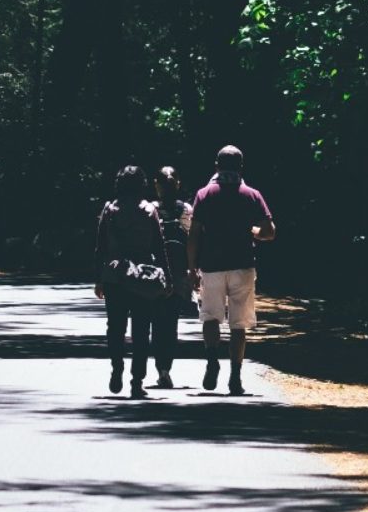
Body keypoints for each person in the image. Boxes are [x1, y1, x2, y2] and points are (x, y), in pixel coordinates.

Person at [187, 145, 275, 395]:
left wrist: (192, 268)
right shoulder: (252, 195)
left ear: (216, 166)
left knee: (210, 317)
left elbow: (193, 234)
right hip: (243, 266)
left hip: (211, 267)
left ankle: (212, 359)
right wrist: (252, 231)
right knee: (239, 324)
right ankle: (235, 377)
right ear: (241, 167)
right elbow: (269, 232)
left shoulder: (204, 194)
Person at [94, 165, 170, 399]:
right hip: (142, 277)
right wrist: (166, 276)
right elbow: (159, 245)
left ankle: (117, 368)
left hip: (115, 276)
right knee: (141, 330)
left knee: (115, 327)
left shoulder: (109, 209)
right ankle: (137, 380)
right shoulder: (149, 210)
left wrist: (98, 279)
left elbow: (101, 247)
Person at [151, 166, 193, 388]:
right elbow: (193, 241)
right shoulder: (186, 210)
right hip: (177, 275)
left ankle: (162, 368)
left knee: (156, 323)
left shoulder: (149, 209)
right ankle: (165, 368)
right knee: (170, 323)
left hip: (154, 275)